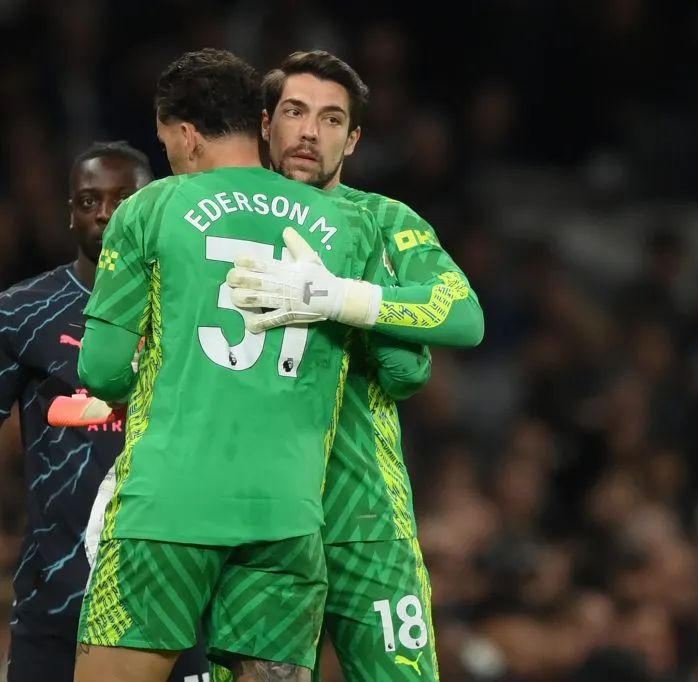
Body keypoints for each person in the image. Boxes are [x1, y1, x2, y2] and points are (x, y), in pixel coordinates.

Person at [72, 48, 431, 682]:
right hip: (288, 517)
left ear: (184, 134)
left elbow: (101, 371)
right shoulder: (345, 223)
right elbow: (405, 372)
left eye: (165, 143)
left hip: (167, 505)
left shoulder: (151, 207)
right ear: (260, 123)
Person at [220, 51, 485, 682]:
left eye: (332, 119)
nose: (311, 131)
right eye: (295, 112)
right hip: (260, 516)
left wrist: (338, 296)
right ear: (265, 124)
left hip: (364, 513)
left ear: (354, 138)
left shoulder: (385, 220)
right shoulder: (225, 217)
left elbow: (464, 316)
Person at [0, 142, 209, 682]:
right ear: (70, 214)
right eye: (89, 201)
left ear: (155, 205)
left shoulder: (200, 307)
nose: (106, 212)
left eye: (124, 197)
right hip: (59, 596)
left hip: (181, 589)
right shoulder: (22, 311)